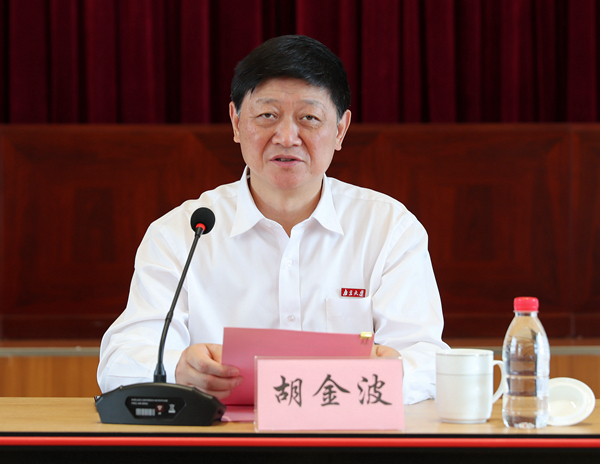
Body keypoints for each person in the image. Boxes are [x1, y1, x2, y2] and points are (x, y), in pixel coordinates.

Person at [97, 35, 448, 405]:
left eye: (309, 118)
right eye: (267, 115)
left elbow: (426, 359)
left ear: (340, 130)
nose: (286, 137)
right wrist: (177, 371)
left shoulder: (388, 228)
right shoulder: (181, 233)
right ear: (236, 122)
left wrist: (387, 375)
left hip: (347, 433)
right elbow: (121, 361)